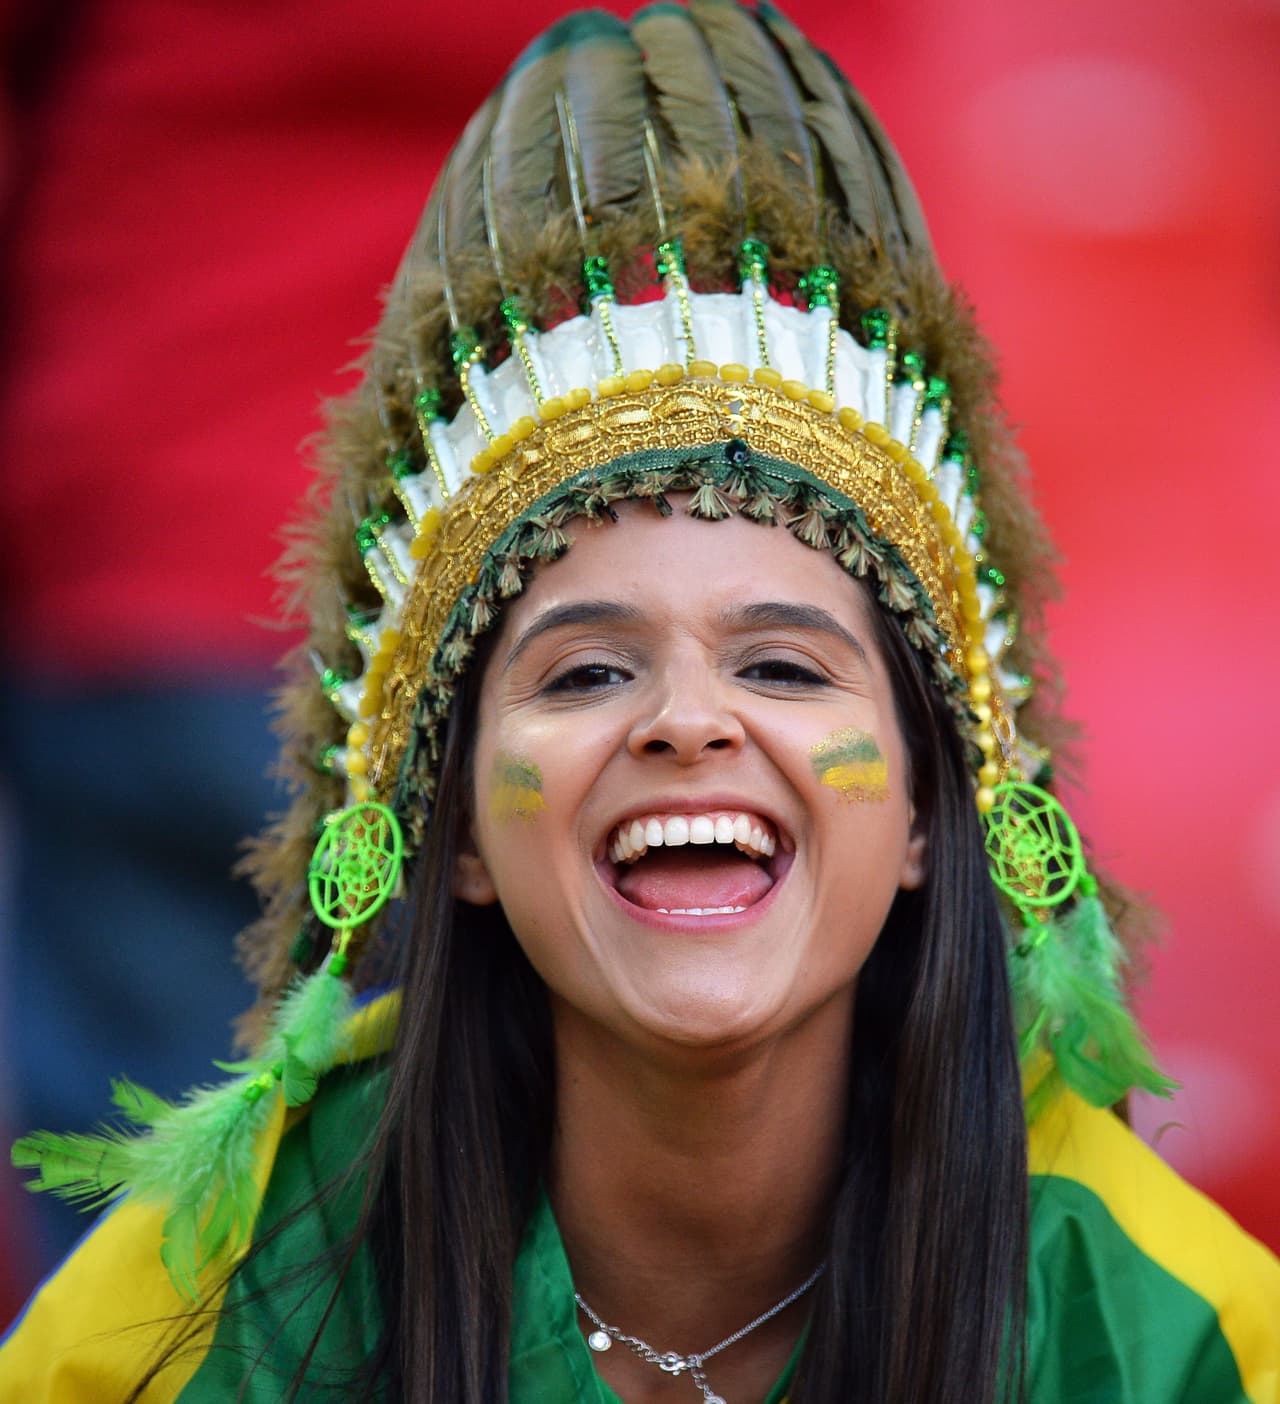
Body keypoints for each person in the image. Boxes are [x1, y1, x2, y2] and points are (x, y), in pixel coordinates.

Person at [4, 3, 1278, 1401]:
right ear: (459, 836)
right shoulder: (190, 1317)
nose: (688, 720)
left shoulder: (1164, 1331)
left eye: (785, 665)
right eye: (590, 670)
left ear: (933, 809)